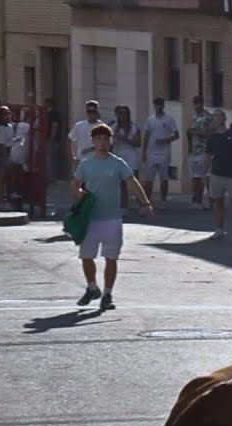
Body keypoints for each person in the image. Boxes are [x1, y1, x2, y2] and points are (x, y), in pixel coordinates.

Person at [71, 124, 153, 310]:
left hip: (112, 218)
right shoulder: (86, 164)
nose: (102, 143)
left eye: (106, 139)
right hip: (90, 218)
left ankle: (107, 294)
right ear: (93, 141)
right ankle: (92, 287)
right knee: (86, 257)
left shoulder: (117, 163)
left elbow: (132, 182)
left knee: (111, 258)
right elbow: (75, 183)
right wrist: (79, 194)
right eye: (99, 139)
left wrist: (145, 203)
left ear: (111, 141)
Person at [204, 109, 232, 241]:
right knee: (218, 202)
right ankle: (219, 229)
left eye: (219, 116)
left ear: (224, 118)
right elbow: (208, 156)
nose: (216, 119)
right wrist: (205, 173)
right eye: (215, 117)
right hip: (216, 174)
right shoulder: (212, 137)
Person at [141, 97, 178, 209]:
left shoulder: (169, 119)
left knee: (164, 178)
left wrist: (164, 140)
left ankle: (163, 200)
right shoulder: (150, 120)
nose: (158, 107)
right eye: (156, 104)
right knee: (149, 179)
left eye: (160, 104)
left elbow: (176, 135)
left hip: (164, 153)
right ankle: (147, 201)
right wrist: (144, 152)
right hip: (151, 153)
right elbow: (146, 136)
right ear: (154, 106)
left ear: (163, 105)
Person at [110, 105, 141, 214]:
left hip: (130, 155)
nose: (122, 116)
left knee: (134, 181)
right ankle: (124, 206)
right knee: (121, 183)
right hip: (118, 154)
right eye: (120, 113)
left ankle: (141, 204)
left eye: (125, 113)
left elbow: (138, 143)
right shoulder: (113, 127)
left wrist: (124, 138)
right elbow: (109, 142)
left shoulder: (133, 127)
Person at [187, 95, 213, 209]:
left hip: (204, 150)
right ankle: (197, 200)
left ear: (202, 104)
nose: (197, 106)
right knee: (195, 176)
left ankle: (210, 200)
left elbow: (211, 133)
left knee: (206, 176)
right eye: (195, 104)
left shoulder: (208, 117)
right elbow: (190, 133)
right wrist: (189, 147)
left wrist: (197, 133)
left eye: (199, 103)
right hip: (194, 151)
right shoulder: (193, 116)